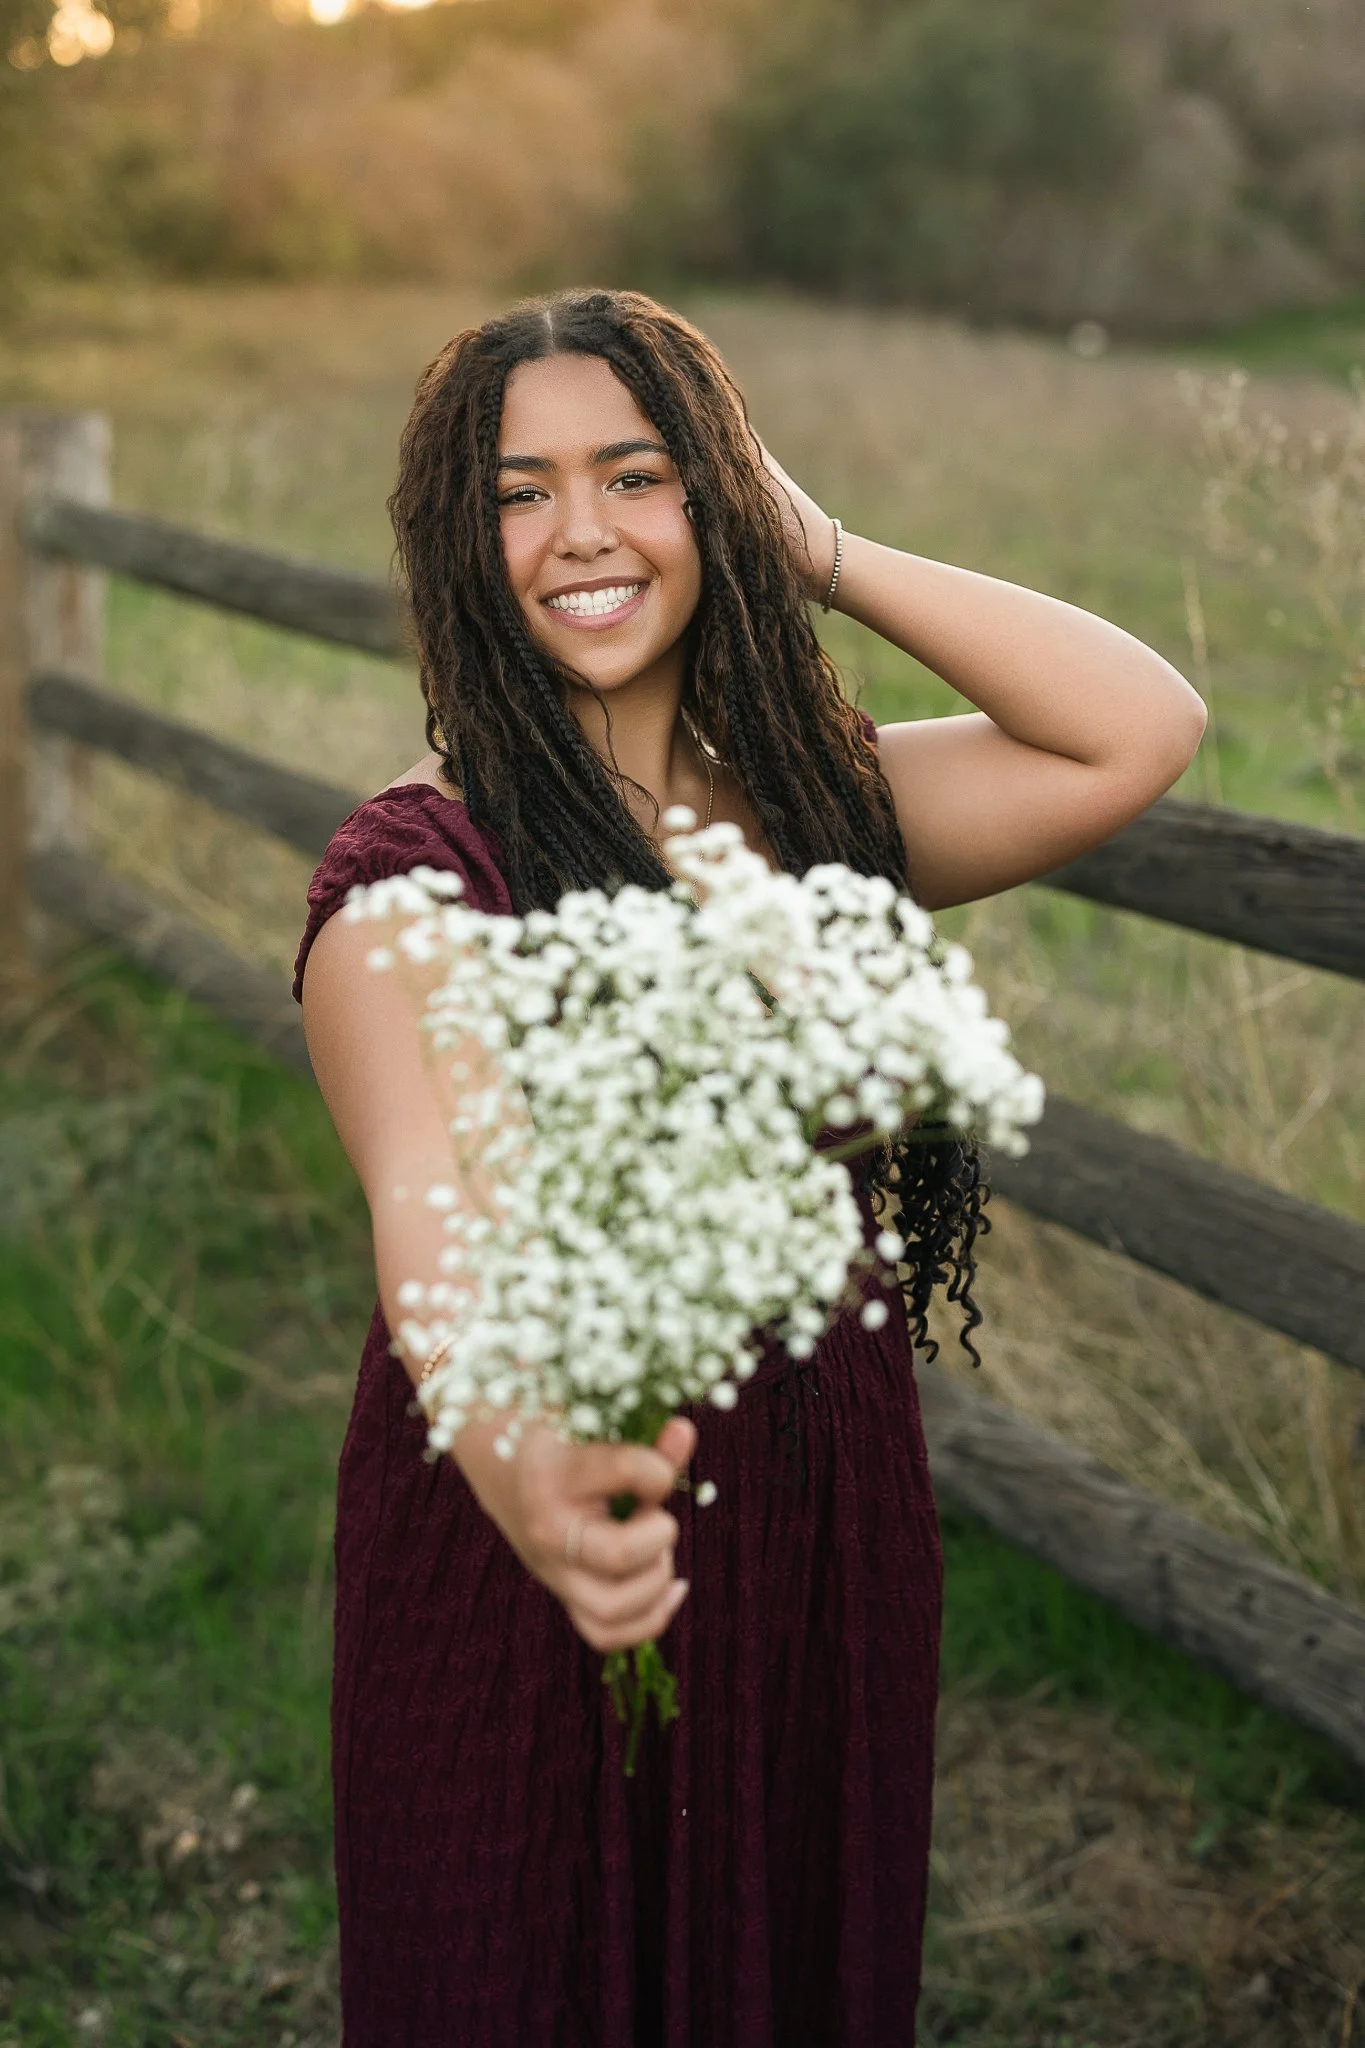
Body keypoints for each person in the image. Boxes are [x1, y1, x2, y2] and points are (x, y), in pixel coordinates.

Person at [296, 288, 1206, 2047]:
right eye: (519, 492)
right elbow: (435, 1233)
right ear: (455, 539)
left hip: (820, 1509)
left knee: (791, 1965)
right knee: (524, 1971)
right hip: (549, 1519)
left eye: (638, 476)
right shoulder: (420, 878)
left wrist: (823, 544)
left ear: (719, 497)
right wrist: (536, 1480)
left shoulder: (818, 812)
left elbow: (1134, 730)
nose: (581, 535)